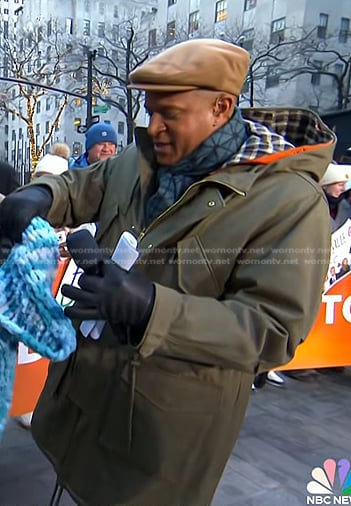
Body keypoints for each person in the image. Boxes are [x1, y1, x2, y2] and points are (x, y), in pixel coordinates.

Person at [0, 39, 334, 506]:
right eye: (149, 110)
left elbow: (274, 330)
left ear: (221, 107)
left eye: (169, 114)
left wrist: (153, 310)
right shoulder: (143, 160)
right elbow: (85, 184)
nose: (151, 127)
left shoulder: (290, 203)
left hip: (157, 441)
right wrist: (42, 195)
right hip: (81, 405)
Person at [320, 162, 351, 231]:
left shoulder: (345, 206)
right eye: (340, 185)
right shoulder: (315, 205)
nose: (344, 189)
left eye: (345, 184)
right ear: (325, 185)